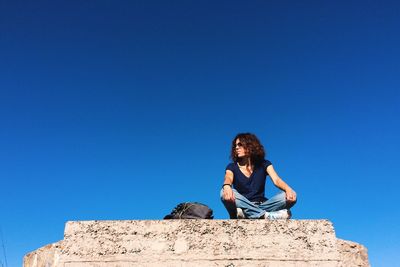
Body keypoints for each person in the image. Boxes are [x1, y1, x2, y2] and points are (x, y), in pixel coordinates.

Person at [220, 133, 297, 219]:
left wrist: (288, 189)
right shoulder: (232, 166)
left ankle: (248, 214)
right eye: (235, 146)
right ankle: (266, 216)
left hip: (263, 205)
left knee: (287, 195)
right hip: (241, 204)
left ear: (250, 146)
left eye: (240, 144)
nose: (236, 148)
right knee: (223, 192)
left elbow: (276, 180)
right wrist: (226, 186)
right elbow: (228, 177)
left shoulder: (264, 164)